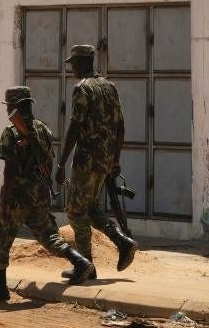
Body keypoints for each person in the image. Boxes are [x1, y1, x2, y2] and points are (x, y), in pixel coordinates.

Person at [0, 86, 94, 301]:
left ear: (16, 107)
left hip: (18, 196)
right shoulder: (43, 129)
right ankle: (80, 261)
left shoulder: (11, 133)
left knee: (0, 236)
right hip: (39, 194)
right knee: (49, 235)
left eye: (9, 105)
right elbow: (48, 161)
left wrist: (4, 200)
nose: (7, 109)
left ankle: (0, 288)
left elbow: (10, 170)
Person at [55, 45, 137, 280]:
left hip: (86, 161)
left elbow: (75, 126)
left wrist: (61, 164)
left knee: (74, 211)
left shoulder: (83, 88)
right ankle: (122, 242)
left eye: (73, 63)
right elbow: (120, 126)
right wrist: (116, 159)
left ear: (81, 63)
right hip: (104, 161)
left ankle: (84, 263)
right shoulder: (110, 87)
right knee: (89, 209)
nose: (72, 68)